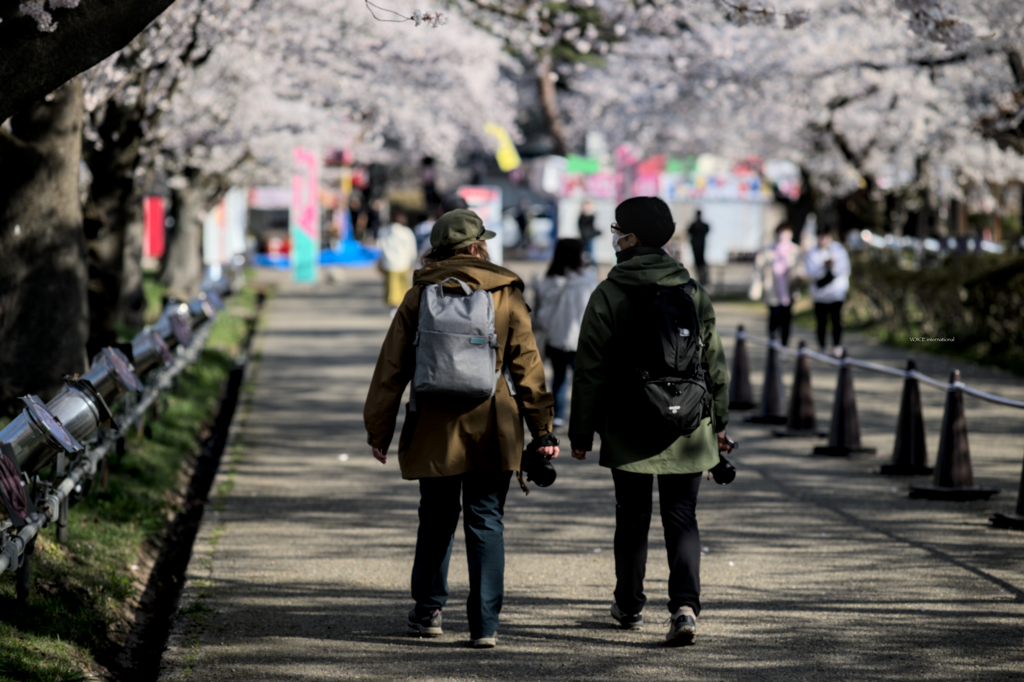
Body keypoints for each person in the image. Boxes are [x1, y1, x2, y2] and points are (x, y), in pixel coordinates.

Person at [364, 209, 557, 649]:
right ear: (476, 247)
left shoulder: (419, 295)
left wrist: (378, 428)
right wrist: (542, 428)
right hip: (494, 422)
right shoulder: (506, 292)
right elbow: (528, 366)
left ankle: (429, 610)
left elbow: (392, 368)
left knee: (436, 517)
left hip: (434, 423)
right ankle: (485, 625)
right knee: (486, 519)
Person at [568, 196, 731, 646]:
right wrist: (719, 424)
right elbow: (715, 365)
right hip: (691, 425)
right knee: (683, 517)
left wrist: (580, 432)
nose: (614, 236)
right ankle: (684, 608)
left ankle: (630, 604)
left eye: (617, 229)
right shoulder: (693, 292)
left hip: (629, 423)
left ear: (631, 238)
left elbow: (590, 369)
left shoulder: (609, 293)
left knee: (632, 517)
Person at [533, 239, 598, 430]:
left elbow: (540, 314)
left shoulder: (548, 280)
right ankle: (584, 417)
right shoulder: (588, 280)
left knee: (559, 379)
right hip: (581, 340)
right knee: (584, 382)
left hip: (555, 338)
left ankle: (558, 416)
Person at [749, 221, 802, 346]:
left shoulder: (796, 251)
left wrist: (799, 276)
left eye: (786, 232)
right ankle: (773, 344)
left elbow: (800, 268)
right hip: (772, 289)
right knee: (774, 317)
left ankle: (784, 345)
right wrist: (757, 287)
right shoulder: (768, 251)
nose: (783, 235)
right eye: (781, 232)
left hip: (789, 291)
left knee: (786, 319)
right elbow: (758, 269)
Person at [804, 226, 851, 357]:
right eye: (819, 236)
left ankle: (837, 346)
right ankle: (822, 347)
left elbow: (845, 268)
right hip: (819, 294)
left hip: (836, 293)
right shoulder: (812, 253)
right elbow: (810, 272)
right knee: (821, 322)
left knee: (837, 320)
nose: (822, 239)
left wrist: (832, 266)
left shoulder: (839, 250)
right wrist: (823, 267)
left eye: (824, 236)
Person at [375, 211, 419, 315]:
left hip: (388, 263)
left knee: (391, 288)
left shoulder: (384, 231)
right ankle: (402, 307)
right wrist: (412, 260)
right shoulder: (406, 232)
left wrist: (379, 261)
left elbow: (379, 247)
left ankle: (393, 308)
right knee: (403, 287)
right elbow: (411, 248)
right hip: (404, 262)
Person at [687, 210, 709, 285]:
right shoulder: (694, 225)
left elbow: (706, 230)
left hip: (701, 247)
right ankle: (700, 278)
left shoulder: (702, 225)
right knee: (698, 263)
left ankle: (703, 279)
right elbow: (689, 231)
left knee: (701, 263)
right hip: (696, 247)